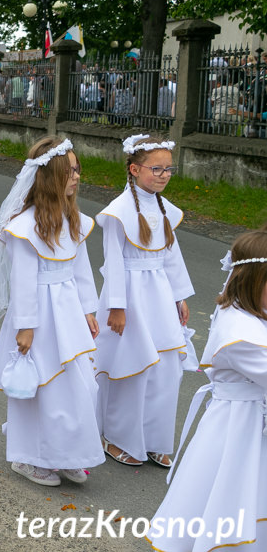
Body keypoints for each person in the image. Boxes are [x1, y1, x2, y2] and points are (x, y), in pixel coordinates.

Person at [0, 137, 103, 487]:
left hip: (67, 312)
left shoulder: (73, 219)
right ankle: (28, 456)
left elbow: (81, 268)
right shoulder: (25, 228)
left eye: (77, 169)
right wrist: (25, 327)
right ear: (49, 177)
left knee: (75, 383)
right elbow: (23, 282)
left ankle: (65, 452)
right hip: (38, 317)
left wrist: (89, 310)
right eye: (68, 171)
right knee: (41, 385)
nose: (76, 176)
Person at [148, 230, 267, 552]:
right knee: (229, 494)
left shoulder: (250, 313)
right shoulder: (240, 334)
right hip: (238, 428)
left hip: (251, 421)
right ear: (254, 280)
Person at [93, 135, 194, 468]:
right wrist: (118, 307)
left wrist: (179, 296)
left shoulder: (164, 209)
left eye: (169, 169)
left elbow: (171, 256)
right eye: (156, 168)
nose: (164, 175)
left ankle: (155, 438)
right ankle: (118, 437)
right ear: (135, 169)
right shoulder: (119, 212)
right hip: (131, 298)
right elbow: (115, 261)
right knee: (132, 366)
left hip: (160, 296)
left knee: (165, 368)